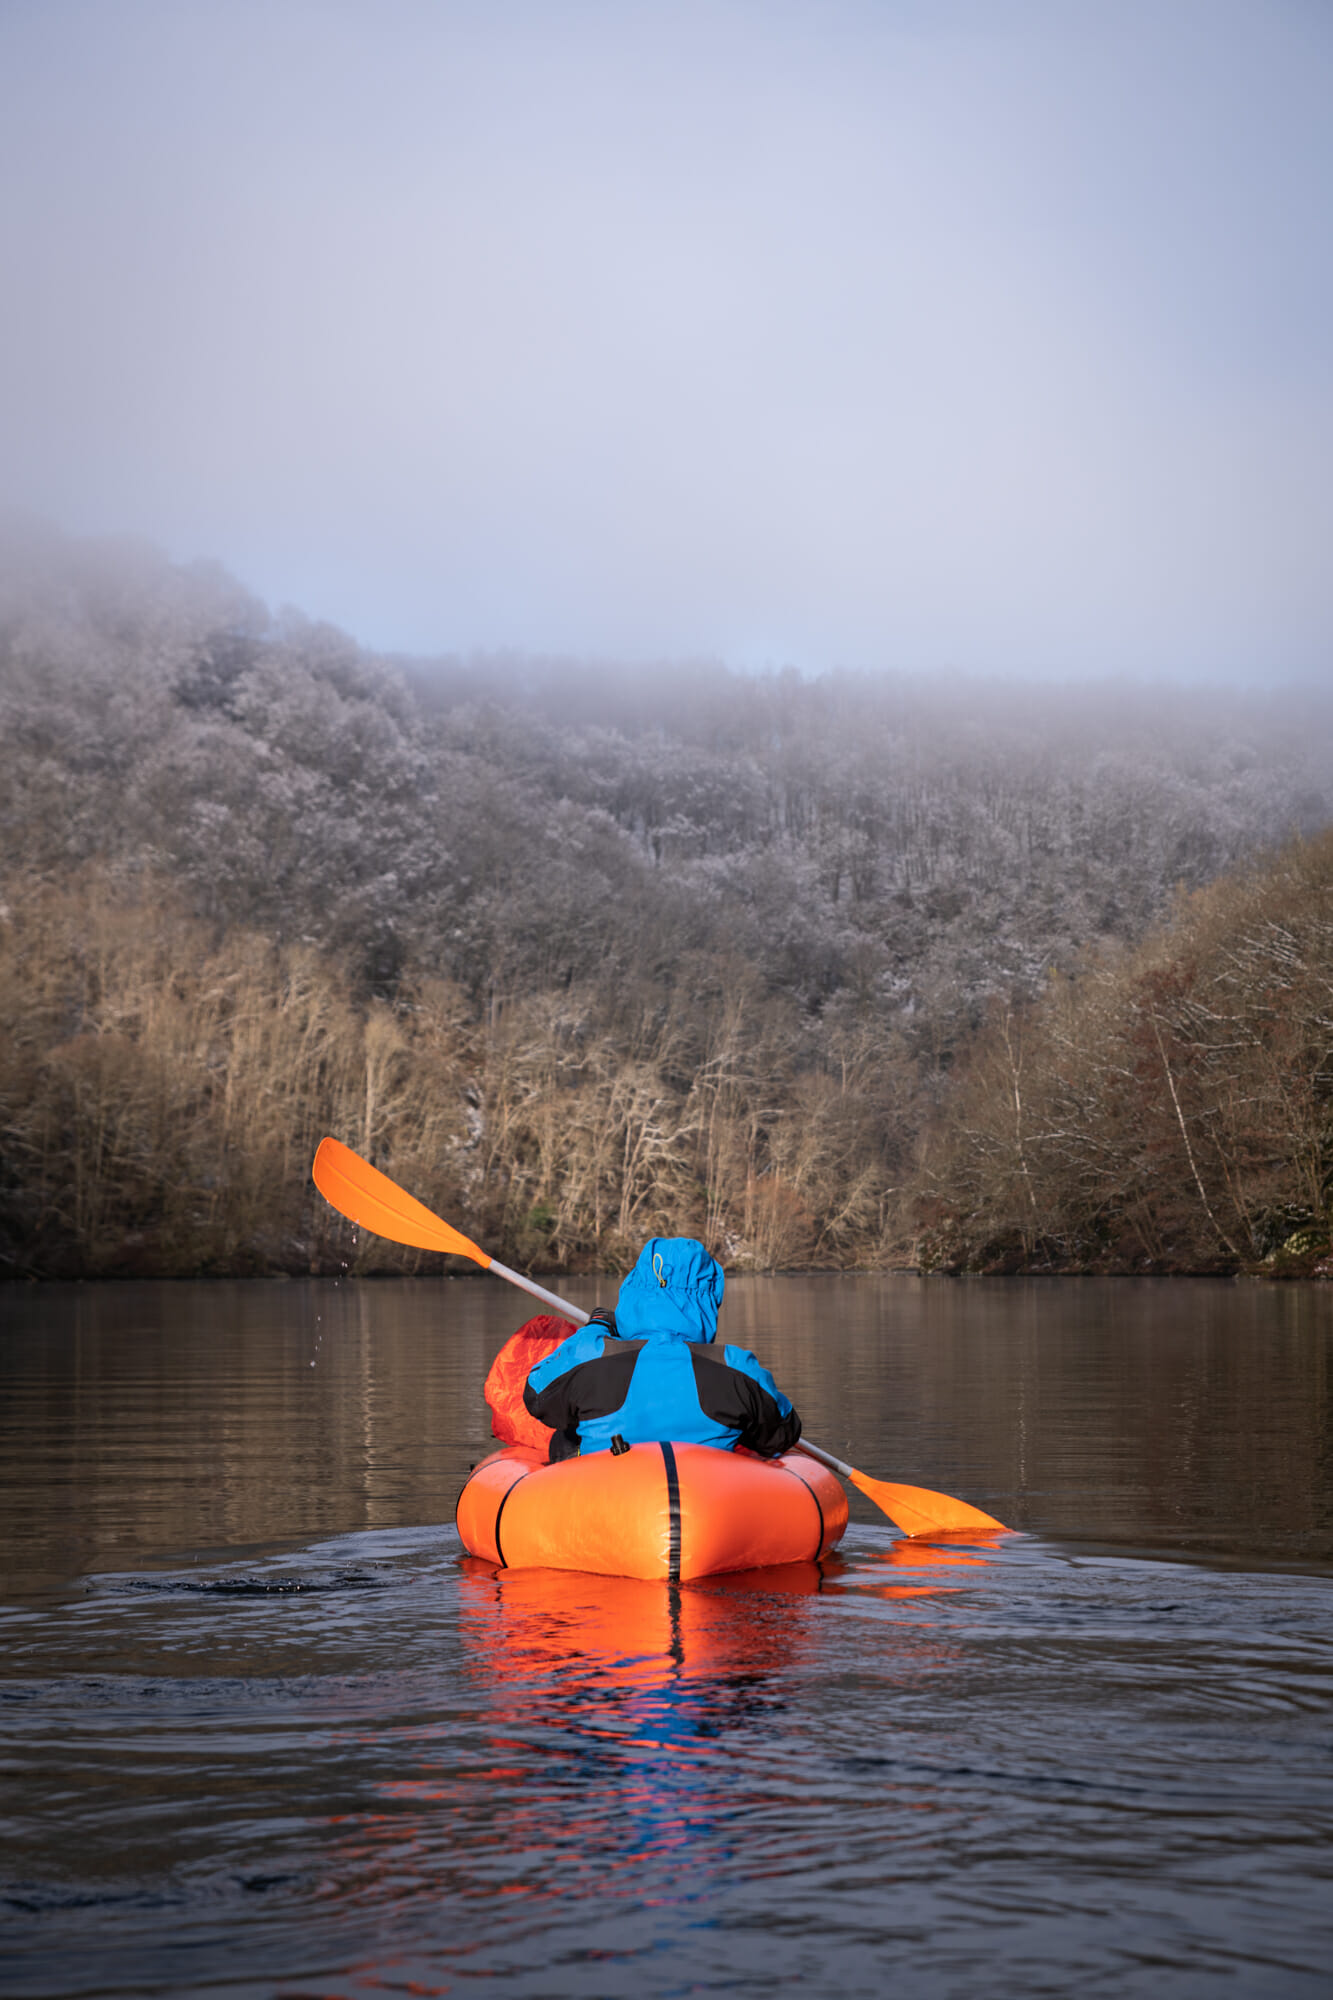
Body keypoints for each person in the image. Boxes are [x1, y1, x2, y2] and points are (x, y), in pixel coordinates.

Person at [523, 1236, 801, 1462]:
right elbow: (782, 1436)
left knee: (565, 1436)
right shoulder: (737, 1366)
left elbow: (536, 1399)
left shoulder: (590, 1352)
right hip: (705, 1501)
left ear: (632, 1290)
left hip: (607, 1494)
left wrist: (597, 1326)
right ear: (710, 1299)